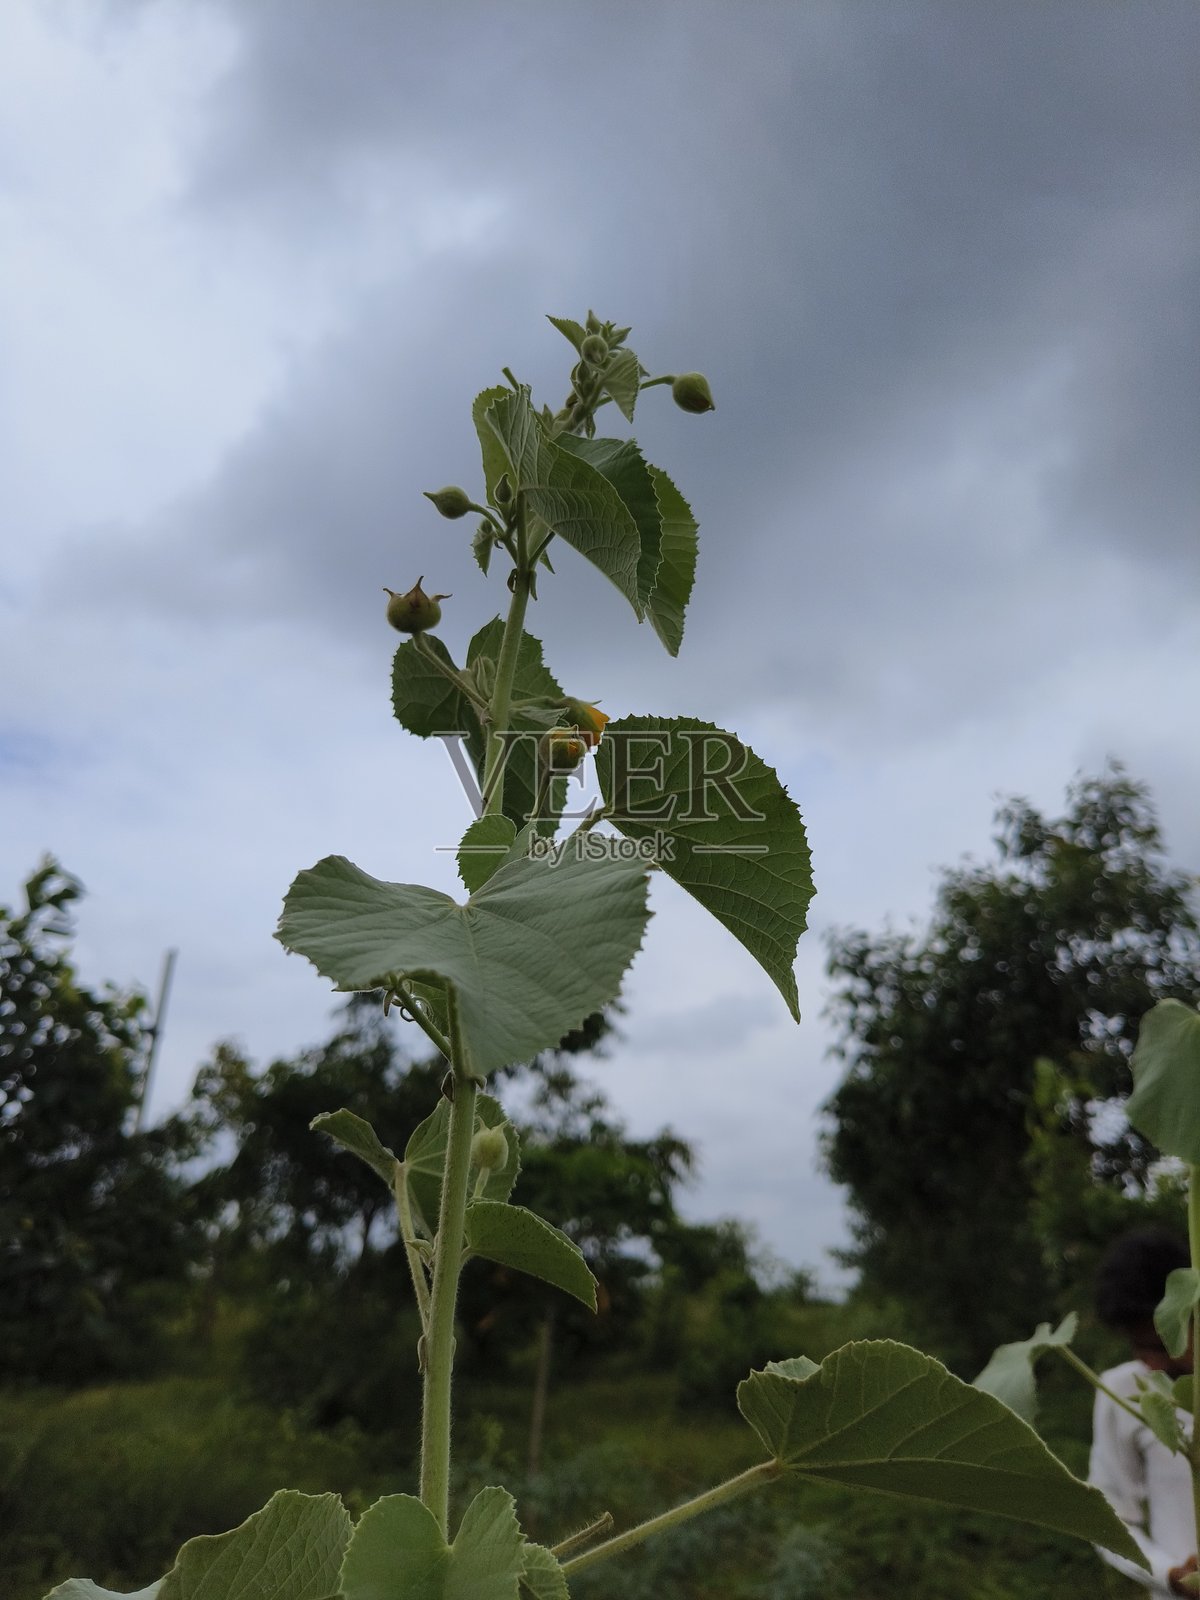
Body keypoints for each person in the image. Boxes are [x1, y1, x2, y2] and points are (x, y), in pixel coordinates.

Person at [1089, 1227, 1197, 1595]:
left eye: (1162, 1344)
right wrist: (1168, 1573)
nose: (1151, 1364)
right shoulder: (1122, 1392)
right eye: (1139, 1348)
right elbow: (1108, 1521)